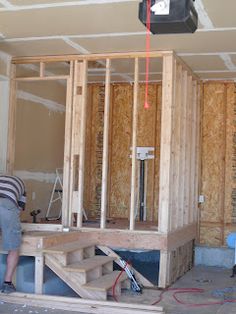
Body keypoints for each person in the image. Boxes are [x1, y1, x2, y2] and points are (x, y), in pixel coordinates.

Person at [0, 174, 26, 293]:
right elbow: (18, 210)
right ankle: (7, 284)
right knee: (14, 247)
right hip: (7, 204)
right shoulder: (22, 186)